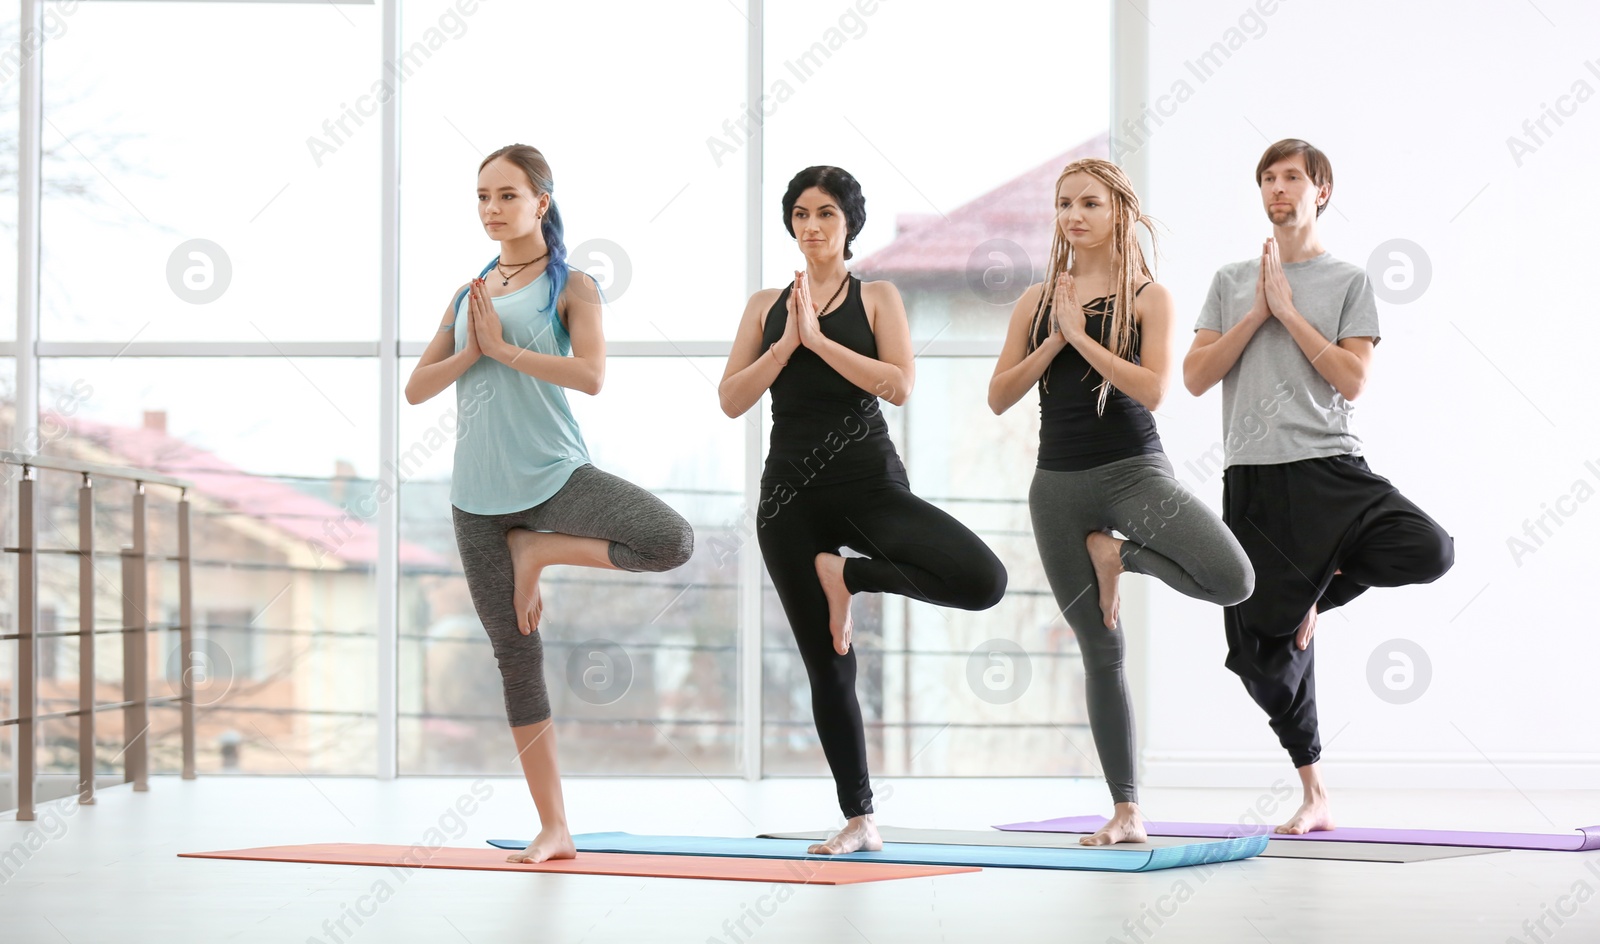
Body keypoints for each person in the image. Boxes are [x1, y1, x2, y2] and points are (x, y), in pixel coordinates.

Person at [405, 144, 694, 862]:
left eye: (506, 195)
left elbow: (591, 374)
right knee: (516, 657)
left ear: (542, 201)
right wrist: (474, 349)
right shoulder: (464, 293)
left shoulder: (574, 284)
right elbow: (416, 388)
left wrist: (504, 351)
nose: (492, 210)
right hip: (476, 496)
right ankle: (554, 827)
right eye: (481, 197)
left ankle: (539, 549)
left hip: (557, 474)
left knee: (670, 540)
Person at [718, 165, 1008, 855]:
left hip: (871, 487)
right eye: (800, 214)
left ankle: (846, 577)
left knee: (982, 580)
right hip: (789, 500)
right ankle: (860, 817)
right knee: (829, 666)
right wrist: (786, 344)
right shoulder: (766, 306)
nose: (811, 226)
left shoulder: (878, 297)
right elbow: (732, 398)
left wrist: (819, 342)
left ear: (849, 224)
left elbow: (899, 384)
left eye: (825, 214)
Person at [1183, 138, 1455, 834]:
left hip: (1330, 468)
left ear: (1321, 190)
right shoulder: (1229, 278)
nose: (1278, 189)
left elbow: (1353, 380)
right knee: (1257, 655)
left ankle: (1316, 590)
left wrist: (1291, 311)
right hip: (1254, 478)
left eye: (1292, 178)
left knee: (1430, 549)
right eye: (1268, 179)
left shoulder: (1348, 281)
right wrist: (1257, 311)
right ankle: (1316, 793)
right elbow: (1194, 377)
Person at [988, 157, 1254, 845]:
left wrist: (1082, 338)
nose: (1074, 215)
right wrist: (1055, 336)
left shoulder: (1147, 297)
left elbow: (1153, 389)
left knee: (1232, 578)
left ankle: (1121, 556)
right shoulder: (1035, 302)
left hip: (1134, 473)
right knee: (1100, 649)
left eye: (1089, 204)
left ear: (1119, 215)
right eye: (1063, 203)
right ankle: (1127, 811)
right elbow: (1000, 396)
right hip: (1057, 487)